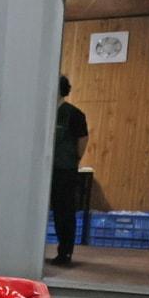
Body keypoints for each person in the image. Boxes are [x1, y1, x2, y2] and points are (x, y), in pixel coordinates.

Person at [50, 74, 89, 266]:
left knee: (63, 212)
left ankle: (65, 252)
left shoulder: (73, 114)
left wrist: (74, 160)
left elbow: (82, 141)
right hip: (45, 171)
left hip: (64, 169)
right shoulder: (44, 111)